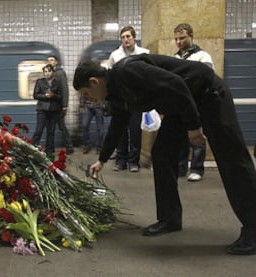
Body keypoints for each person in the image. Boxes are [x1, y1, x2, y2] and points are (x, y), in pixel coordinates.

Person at [73, 54, 256, 255]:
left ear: (94, 81)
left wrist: (194, 126)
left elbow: (176, 84)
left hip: (208, 94)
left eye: (85, 93)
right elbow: (117, 125)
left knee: (233, 160)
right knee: (161, 155)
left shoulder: (127, 72)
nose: (88, 98)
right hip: (179, 107)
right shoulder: (116, 94)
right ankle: (170, 219)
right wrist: (102, 159)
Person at [174, 23, 214, 182]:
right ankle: (181, 167)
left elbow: (205, 79)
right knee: (181, 138)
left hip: (198, 103)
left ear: (191, 36)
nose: (179, 42)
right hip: (181, 105)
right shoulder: (175, 58)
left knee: (197, 137)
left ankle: (197, 168)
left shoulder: (203, 56)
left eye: (182, 38)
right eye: (176, 39)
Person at [107, 26, 149, 172]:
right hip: (120, 100)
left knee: (135, 130)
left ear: (134, 37)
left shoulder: (144, 54)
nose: (126, 39)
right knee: (121, 131)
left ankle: (133, 161)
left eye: (128, 36)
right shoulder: (115, 55)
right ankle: (121, 160)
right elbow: (109, 77)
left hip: (137, 100)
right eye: (123, 37)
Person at [31, 64, 62, 157]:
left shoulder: (57, 82)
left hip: (54, 110)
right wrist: (45, 96)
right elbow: (35, 95)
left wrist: (53, 95)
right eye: (45, 71)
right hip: (42, 109)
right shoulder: (40, 82)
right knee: (39, 130)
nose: (47, 73)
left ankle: (49, 151)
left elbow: (60, 96)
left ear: (53, 72)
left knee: (51, 131)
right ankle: (33, 148)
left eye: (49, 71)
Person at [47, 55, 74, 154]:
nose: (50, 62)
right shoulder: (50, 73)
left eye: (52, 60)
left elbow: (64, 89)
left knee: (61, 126)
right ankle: (51, 148)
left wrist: (65, 105)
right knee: (53, 126)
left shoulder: (60, 73)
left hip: (59, 105)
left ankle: (69, 147)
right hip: (52, 105)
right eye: (48, 60)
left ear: (56, 62)